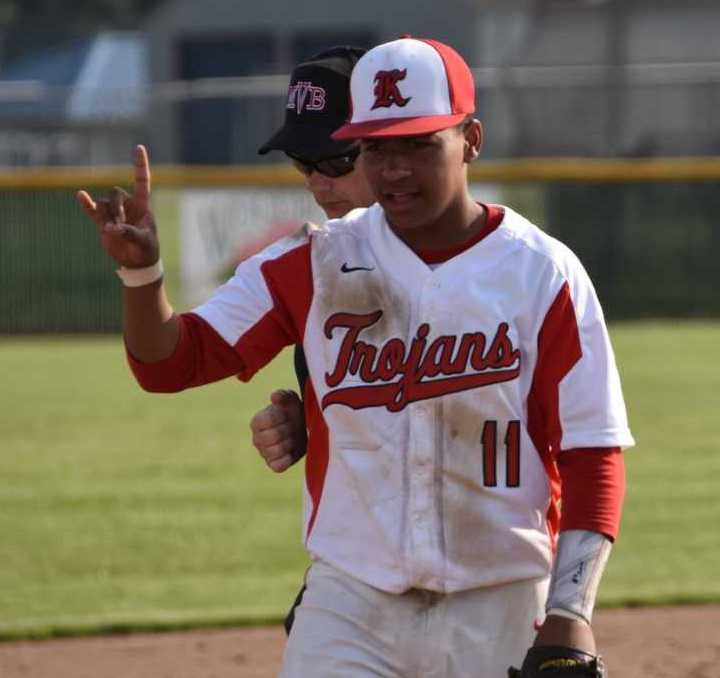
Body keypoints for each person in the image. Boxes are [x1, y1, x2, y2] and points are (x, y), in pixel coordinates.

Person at [78, 36, 634, 678]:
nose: (393, 168)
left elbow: (592, 451)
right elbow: (171, 363)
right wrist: (144, 276)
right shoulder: (311, 262)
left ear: (471, 140)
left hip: (502, 599)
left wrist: (572, 609)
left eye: (418, 144)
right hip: (352, 603)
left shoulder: (544, 273)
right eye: (376, 147)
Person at [252, 45, 374, 477]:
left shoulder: (496, 262)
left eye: (337, 160)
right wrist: (312, 422)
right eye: (303, 164)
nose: (318, 185)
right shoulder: (320, 270)